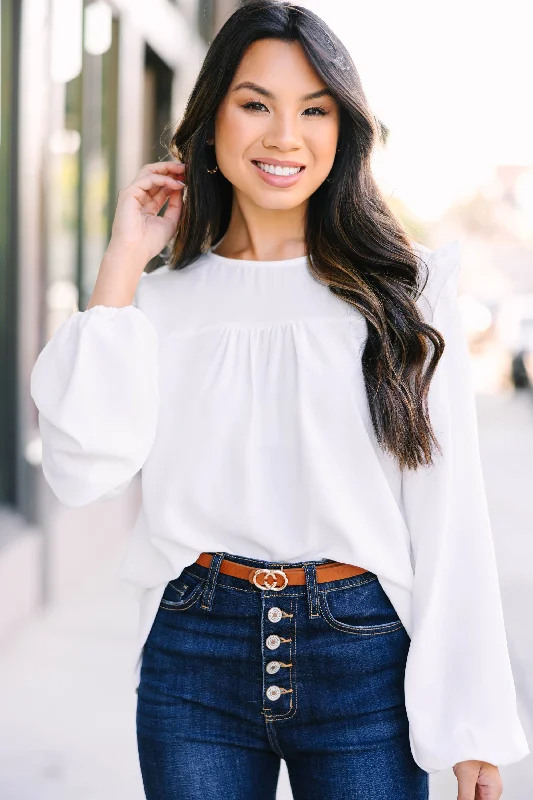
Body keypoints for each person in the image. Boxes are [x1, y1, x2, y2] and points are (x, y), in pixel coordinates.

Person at [30, 2, 529, 798]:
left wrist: (472, 729)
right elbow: (80, 467)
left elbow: (448, 512)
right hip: (193, 652)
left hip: (363, 657)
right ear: (211, 119)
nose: (283, 136)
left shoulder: (405, 292)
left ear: (344, 131)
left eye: (314, 110)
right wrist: (123, 261)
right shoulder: (159, 306)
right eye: (255, 103)